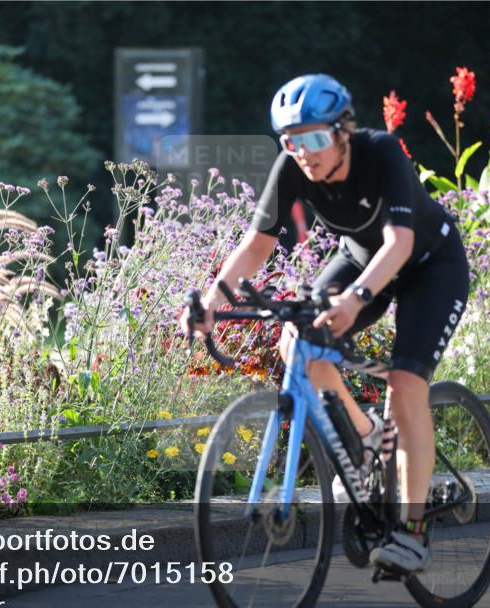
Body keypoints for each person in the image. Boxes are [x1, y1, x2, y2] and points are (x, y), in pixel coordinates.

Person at [178, 73, 470, 574]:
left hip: (429, 265)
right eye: (291, 141)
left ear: (341, 132)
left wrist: (356, 301)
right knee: (298, 341)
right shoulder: (292, 167)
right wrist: (209, 304)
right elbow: (256, 246)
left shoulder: (380, 153)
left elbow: (398, 243)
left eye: (314, 138)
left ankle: (414, 531)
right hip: (359, 258)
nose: (304, 153)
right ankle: (365, 436)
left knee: (405, 381)